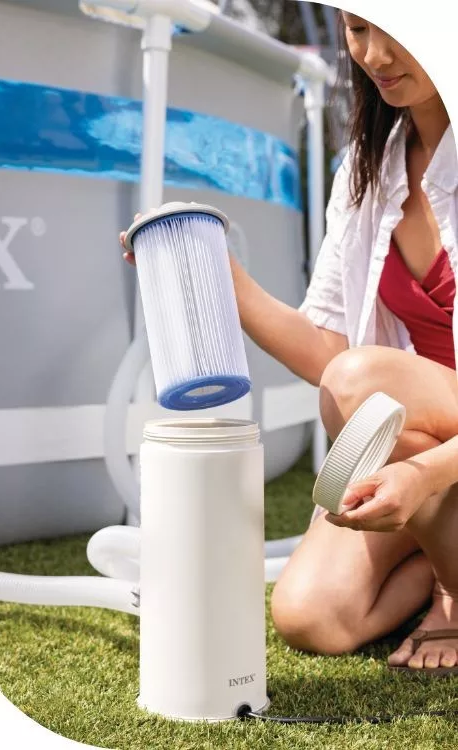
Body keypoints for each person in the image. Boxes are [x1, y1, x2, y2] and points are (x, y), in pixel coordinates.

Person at [120, 10, 458, 673]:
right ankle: (438, 550)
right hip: (421, 440)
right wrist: (220, 274)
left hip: (434, 459)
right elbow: (330, 351)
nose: (376, 55)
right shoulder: (367, 168)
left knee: (361, 385)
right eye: (357, 30)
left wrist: (420, 476)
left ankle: (454, 589)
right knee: (311, 615)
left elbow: (350, 378)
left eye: (395, 29)